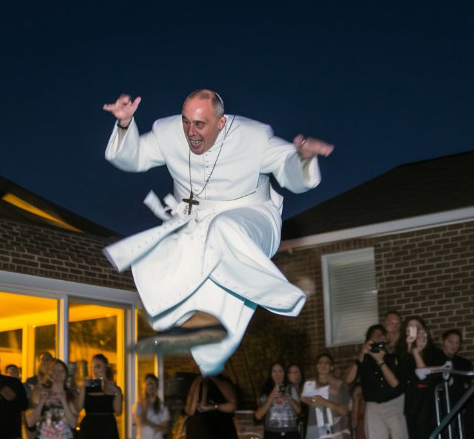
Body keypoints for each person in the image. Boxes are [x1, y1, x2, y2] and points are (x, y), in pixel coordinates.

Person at [102, 90, 333, 375]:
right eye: (186, 122)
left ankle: (274, 294)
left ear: (221, 123)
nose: (190, 132)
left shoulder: (253, 137)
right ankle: (201, 324)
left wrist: (303, 159)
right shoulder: (168, 133)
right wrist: (125, 124)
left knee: (223, 229)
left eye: (199, 125)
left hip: (253, 217)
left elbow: (289, 169)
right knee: (156, 251)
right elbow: (133, 158)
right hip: (195, 221)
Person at [346, 324, 410, 439]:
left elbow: (395, 383)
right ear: (368, 340)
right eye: (374, 335)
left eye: (381, 335)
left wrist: (380, 360)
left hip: (394, 401)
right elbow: (348, 379)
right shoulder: (364, 359)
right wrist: (362, 354)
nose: (379, 337)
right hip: (373, 404)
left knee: (399, 436)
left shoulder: (392, 356)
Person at [397, 316, 439, 439]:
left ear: (425, 331)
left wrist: (416, 352)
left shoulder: (434, 352)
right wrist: (409, 349)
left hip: (430, 402)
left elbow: (425, 375)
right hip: (413, 404)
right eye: (410, 328)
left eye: (417, 327)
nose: (414, 331)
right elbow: (402, 378)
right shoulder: (402, 355)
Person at [301, 353, 351, 439]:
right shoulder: (309, 385)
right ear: (316, 366)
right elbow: (305, 404)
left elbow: (345, 411)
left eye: (327, 363)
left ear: (332, 367)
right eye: (320, 363)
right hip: (315, 435)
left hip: (335, 434)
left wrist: (325, 403)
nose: (323, 365)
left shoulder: (340, 385)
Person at [255, 362, 302, 439]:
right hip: (272, 436)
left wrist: (288, 396)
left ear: (284, 374)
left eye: (280, 371)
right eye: (274, 371)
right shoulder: (266, 391)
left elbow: (299, 410)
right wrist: (271, 397)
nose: (277, 374)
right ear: (270, 374)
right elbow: (258, 415)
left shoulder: (291, 388)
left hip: (290, 435)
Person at [133, 373, 171, 439]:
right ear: (144, 386)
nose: (150, 386)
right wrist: (158, 427)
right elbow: (141, 423)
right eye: (148, 384)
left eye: (153, 384)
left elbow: (166, 429)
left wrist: (150, 424)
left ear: (157, 386)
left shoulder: (162, 407)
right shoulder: (139, 405)